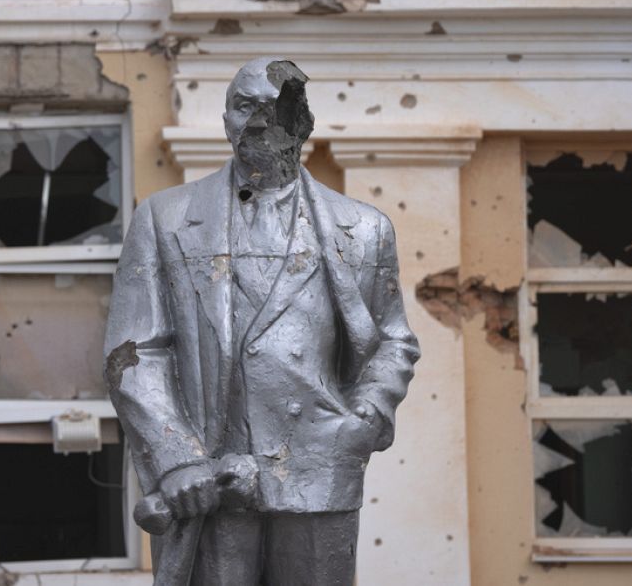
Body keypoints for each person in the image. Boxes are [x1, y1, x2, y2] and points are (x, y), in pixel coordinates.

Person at [104, 57, 419, 585]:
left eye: (272, 110)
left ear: (302, 123)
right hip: (213, 476)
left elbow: (394, 341)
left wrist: (364, 420)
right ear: (225, 119)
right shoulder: (165, 218)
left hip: (321, 469)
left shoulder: (363, 229)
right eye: (242, 107)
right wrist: (177, 457)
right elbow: (134, 352)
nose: (254, 122)